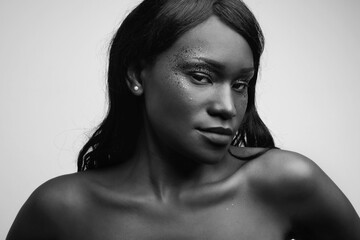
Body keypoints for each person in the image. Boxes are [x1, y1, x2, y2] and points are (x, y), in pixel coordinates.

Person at [7, 0, 360, 239]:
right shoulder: (61, 209)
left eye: (240, 84)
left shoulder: (287, 183)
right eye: (201, 76)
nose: (228, 106)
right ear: (137, 75)